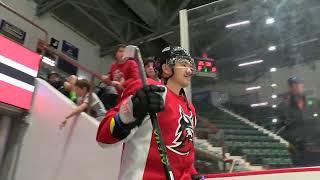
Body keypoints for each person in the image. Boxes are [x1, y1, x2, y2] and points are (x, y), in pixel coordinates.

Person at [96, 46, 198, 180]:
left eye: (190, 66)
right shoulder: (148, 90)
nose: (189, 70)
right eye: (184, 65)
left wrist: (193, 174)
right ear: (166, 68)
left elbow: (184, 153)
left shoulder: (190, 109)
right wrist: (131, 110)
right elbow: (103, 137)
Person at [277, 76, 320, 166]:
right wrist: (294, 141)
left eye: (299, 84)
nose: (297, 87)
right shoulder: (283, 107)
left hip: (317, 149)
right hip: (298, 153)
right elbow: (280, 130)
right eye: (294, 85)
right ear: (290, 88)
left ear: (303, 86)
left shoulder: (315, 103)